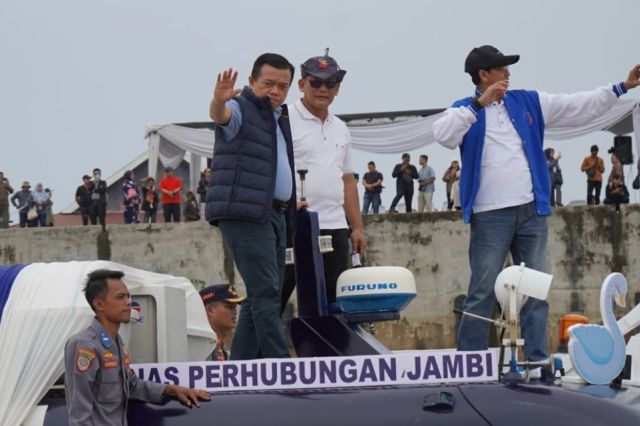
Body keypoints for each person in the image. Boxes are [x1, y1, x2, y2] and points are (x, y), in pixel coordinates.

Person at [432, 44, 640, 362]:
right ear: (483, 75)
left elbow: (575, 105)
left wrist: (620, 87)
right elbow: (443, 135)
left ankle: (536, 358)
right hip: (490, 215)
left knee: (536, 291)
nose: (508, 73)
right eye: (502, 68)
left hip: (532, 211)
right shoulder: (464, 110)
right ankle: (469, 363)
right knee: (481, 291)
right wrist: (478, 104)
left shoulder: (528, 100)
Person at [205, 53, 297, 360]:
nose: (275, 91)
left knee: (263, 294)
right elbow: (222, 116)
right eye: (268, 83)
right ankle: (283, 367)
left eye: (283, 86)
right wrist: (218, 101)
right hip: (245, 211)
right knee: (267, 293)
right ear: (251, 82)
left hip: (275, 212)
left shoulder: (278, 117)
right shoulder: (241, 106)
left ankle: (239, 368)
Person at [64, 269, 209, 425]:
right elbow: (79, 414)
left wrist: (172, 390)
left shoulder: (117, 343)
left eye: (128, 296)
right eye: (120, 297)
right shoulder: (85, 346)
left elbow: (131, 385)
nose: (128, 302)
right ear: (99, 304)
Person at [282, 50, 366, 308]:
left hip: (335, 227)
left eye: (331, 83)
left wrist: (358, 226)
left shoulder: (341, 127)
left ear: (338, 88)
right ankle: (253, 351)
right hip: (293, 225)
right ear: (301, 84)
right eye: (315, 82)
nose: (323, 89)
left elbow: (347, 179)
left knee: (335, 304)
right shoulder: (283, 119)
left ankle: (329, 350)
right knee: (273, 298)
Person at [199, 284, 246, 361]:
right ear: (210, 310)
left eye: (235, 307)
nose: (235, 312)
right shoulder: (196, 348)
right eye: (230, 307)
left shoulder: (225, 352)